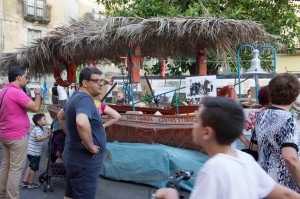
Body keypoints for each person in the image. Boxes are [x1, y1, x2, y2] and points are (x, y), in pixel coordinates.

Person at [155, 97, 300, 199]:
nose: (193, 125)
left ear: (207, 132)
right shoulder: (245, 159)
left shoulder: (214, 168)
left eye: (196, 121)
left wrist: (171, 196)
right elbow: (285, 195)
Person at [57, 67, 106, 199]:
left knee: (70, 195)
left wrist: (71, 135)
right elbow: (81, 122)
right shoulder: (85, 99)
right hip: (84, 163)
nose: (101, 83)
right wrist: (91, 147)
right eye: (97, 81)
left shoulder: (75, 96)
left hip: (74, 158)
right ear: (85, 83)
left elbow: (60, 116)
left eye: (102, 80)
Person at [253, 73, 300, 192]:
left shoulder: (261, 116)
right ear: (295, 95)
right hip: (283, 187)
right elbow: (290, 157)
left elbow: (258, 147)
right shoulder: (289, 119)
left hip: (263, 183)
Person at [0, 65, 42, 199]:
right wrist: (38, 94)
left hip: (5, 134)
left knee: (6, 165)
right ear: (18, 77)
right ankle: (11, 197)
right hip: (17, 136)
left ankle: (2, 194)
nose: (27, 80)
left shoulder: (3, 91)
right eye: (26, 77)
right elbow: (35, 108)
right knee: (15, 169)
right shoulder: (16, 92)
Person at [20, 113, 51, 189]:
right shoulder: (38, 129)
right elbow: (38, 138)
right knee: (34, 168)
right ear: (38, 121)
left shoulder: (36, 128)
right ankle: (30, 183)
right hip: (34, 153)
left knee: (31, 166)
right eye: (44, 119)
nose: (46, 120)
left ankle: (24, 181)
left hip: (30, 151)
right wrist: (47, 136)